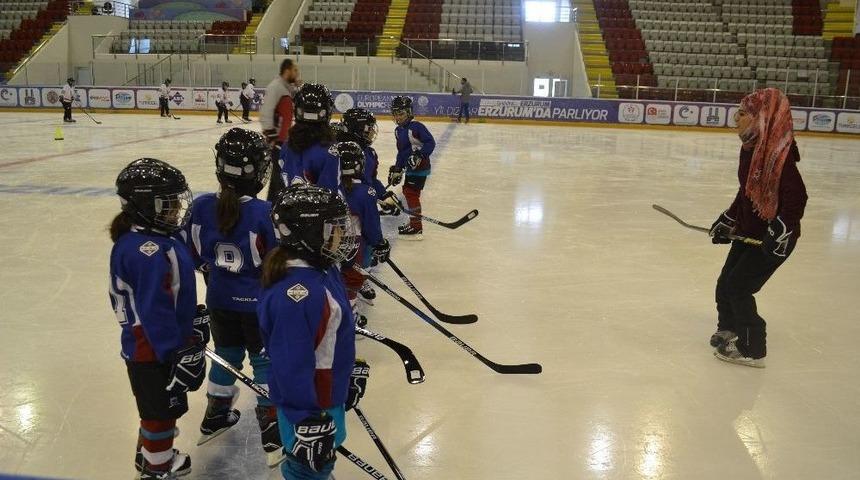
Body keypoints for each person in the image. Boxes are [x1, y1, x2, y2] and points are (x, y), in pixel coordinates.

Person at [185, 128, 285, 466]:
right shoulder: (262, 212)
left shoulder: (200, 207)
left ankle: (216, 413)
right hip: (258, 303)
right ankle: (271, 426)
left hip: (219, 299)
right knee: (263, 360)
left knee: (226, 354)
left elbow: (194, 254)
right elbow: (276, 259)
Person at [257, 184, 370, 480]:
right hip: (310, 404)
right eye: (334, 228)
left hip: (324, 394)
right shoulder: (298, 295)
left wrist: (346, 372)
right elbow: (291, 364)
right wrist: (304, 417)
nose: (343, 235)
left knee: (322, 464)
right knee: (307, 469)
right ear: (307, 235)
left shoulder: (322, 270)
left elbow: (328, 336)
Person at [109, 158, 208, 479]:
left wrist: (190, 318)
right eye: (166, 204)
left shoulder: (144, 241)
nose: (174, 209)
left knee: (156, 408)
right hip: (152, 349)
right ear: (143, 205)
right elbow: (155, 309)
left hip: (150, 345)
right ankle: (156, 467)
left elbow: (169, 296)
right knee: (159, 414)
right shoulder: (148, 251)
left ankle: (152, 455)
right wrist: (175, 350)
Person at [708, 88, 808, 368]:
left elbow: (797, 197)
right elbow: (748, 193)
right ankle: (730, 327)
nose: (735, 119)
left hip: (772, 240)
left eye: (742, 114)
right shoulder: (752, 149)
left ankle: (753, 349)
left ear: (761, 118)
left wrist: (782, 229)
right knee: (725, 283)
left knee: (739, 287)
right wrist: (729, 219)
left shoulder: (779, 155)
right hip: (749, 231)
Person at [333, 141, 391, 328]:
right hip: (356, 245)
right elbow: (371, 225)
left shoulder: (330, 188)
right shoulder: (365, 192)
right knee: (353, 278)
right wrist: (379, 242)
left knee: (336, 277)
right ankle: (350, 321)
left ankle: (336, 312)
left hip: (331, 243)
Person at [389, 96, 436, 240]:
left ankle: (416, 227)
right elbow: (402, 152)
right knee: (409, 192)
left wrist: (420, 155)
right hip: (410, 168)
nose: (398, 117)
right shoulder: (398, 130)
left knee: (411, 193)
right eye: (396, 114)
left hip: (420, 168)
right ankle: (414, 222)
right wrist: (397, 168)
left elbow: (430, 143)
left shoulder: (417, 127)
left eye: (401, 113)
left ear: (409, 112)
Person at [279, 83, 339, 191]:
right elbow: (332, 194)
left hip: (286, 205)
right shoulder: (329, 151)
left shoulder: (287, 145)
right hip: (319, 207)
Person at [261, 59, 300, 202]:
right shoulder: (275, 87)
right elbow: (266, 112)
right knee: (279, 178)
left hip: (284, 142)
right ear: (287, 70)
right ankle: (273, 209)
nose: (297, 74)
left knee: (280, 178)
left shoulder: (285, 88)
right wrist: (272, 138)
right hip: (277, 142)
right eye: (295, 70)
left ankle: (273, 206)